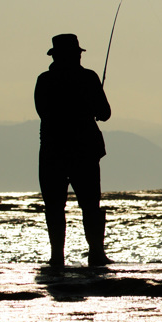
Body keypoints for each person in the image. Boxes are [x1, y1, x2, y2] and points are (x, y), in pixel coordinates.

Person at [35, 34, 112, 267]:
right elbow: (105, 113)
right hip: (84, 151)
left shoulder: (45, 80)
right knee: (90, 205)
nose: (79, 55)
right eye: (77, 52)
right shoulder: (89, 78)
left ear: (55, 56)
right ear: (73, 54)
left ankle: (56, 257)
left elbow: (43, 112)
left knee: (54, 206)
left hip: (52, 151)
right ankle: (96, 254)